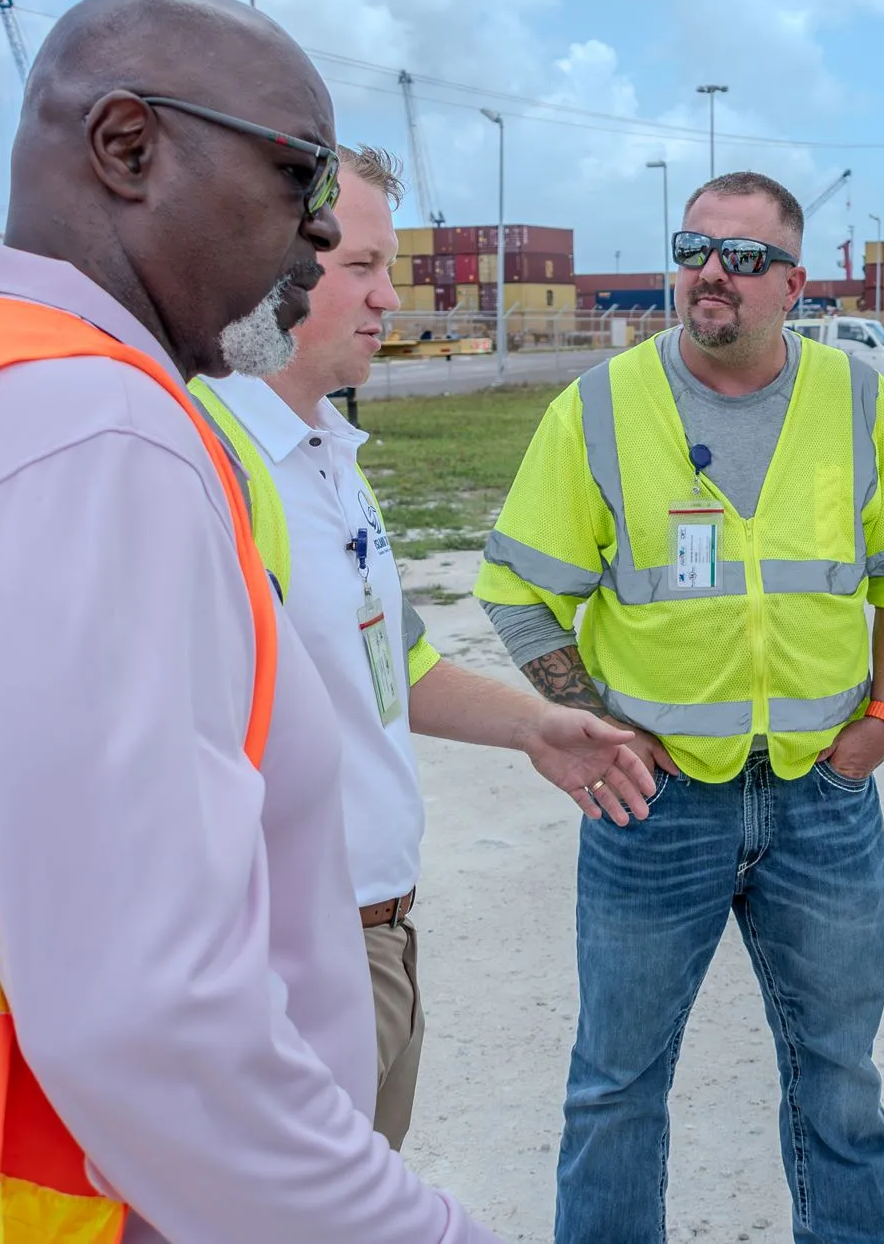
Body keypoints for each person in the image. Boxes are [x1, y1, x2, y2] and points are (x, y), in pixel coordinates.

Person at [0, 0, 497, 1242]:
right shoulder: (89, 438)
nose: (317, 242)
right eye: (297, 178)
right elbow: (152, 1023)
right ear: (127, 147)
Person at [475, 171, 884, 1243]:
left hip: (819, 803)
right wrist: (594, 728)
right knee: (613, 1089)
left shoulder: (858, 397)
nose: (710, 273)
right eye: (693, 247)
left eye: (741, 258)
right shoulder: (598, 406)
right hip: (654, 810)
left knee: (840, 1082)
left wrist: (881, 717)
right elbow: (516, 588)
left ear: (794, 283)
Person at [191, 144, 655, 1150]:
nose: (389, 299)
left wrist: (538, 725)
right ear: (276, 263)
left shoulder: (322, 456)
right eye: (360, 267)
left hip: (379, 937)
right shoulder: (208, 467)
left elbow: (391, 669)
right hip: (289, 955)